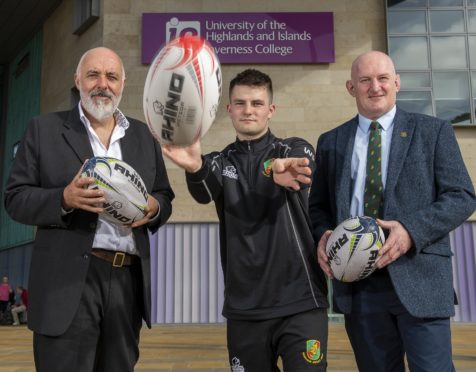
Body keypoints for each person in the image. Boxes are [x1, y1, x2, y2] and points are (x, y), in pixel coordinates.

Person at [4, 47, 174, 372]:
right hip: (67, 282)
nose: (102, 84)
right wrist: (63, 199)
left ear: (123, 82)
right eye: (93, 74)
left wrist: (153, 207)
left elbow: (163, 195)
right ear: (77, 79)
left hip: (126, 280)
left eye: (111, 76)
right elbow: (15, 198)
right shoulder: (44, 130)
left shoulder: (143, 136)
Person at [309, 50, 476, 372]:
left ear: (397, 83)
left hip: (420, 277)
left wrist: (411, 230)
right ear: (351, 87)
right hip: (359, 285)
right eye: (365, 80)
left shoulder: (432, 131)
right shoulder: (331, 141)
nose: (375, 87)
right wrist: (323, 235)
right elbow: (318, 207)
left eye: (383, 78)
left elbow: (462, 196)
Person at [163, 69, 328, 371]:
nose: (248, 110)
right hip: (244, 309)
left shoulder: (293, 148)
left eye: (256, 103)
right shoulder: (218, 161)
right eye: (240, 103)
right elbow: (203, 192)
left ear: (270, 110)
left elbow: (301, 168)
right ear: (229, 109)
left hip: (301, 301)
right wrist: (194, 168)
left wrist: (279, 170)